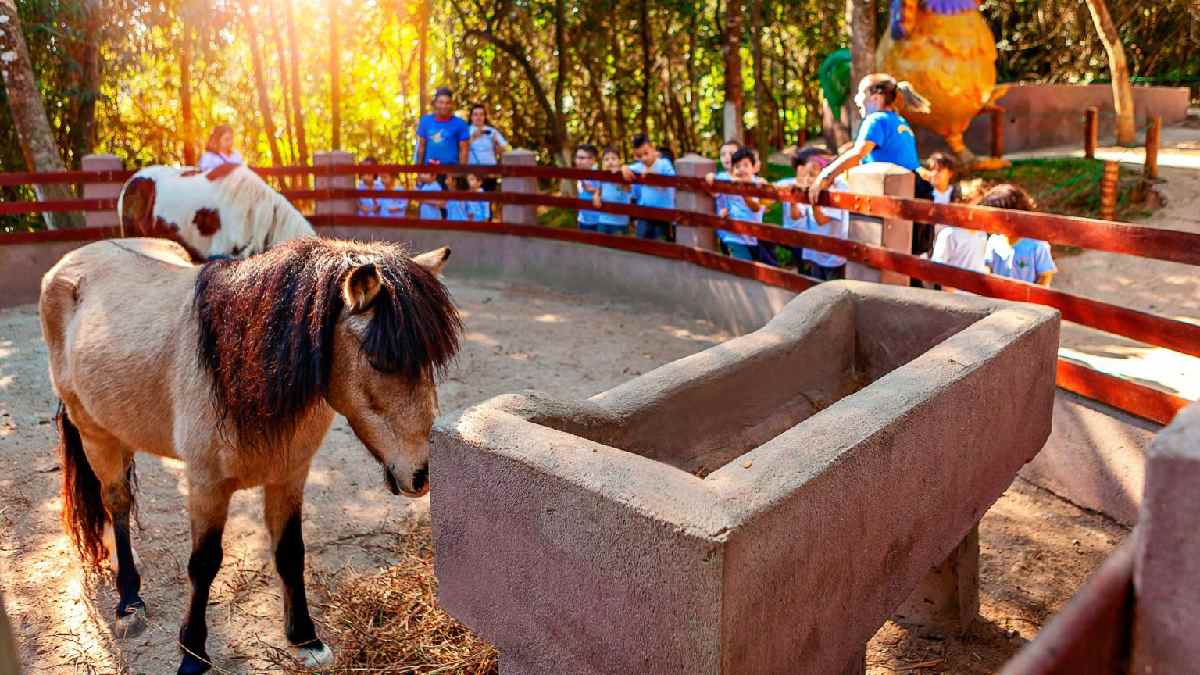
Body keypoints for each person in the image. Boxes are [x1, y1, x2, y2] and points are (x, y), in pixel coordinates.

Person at [807, 73, 936, 261]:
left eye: (861, 93)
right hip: (912, 196)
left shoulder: (876, 120)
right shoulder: (900, 122)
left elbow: (858, 152)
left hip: (892, 198)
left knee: (881, 261)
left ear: (875, 98)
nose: (856, 98)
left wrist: (825, 176)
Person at [780, 148, 849, 279]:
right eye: (805, 175)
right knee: (814, 285)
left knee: (833, 288)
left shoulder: (836, 189)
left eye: (812, 175)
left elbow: (822, 220)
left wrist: (812, 201)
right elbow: (796, 215)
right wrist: (793, 200)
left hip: (833, 256)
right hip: (815, 252)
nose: (807, 179)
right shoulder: (810, 189)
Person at [980, 185, 1057, 287]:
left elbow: (1045, 276)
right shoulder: (994, 240)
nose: (992, 223)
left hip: (1026, 297)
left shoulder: (1037, 244)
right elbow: (988, 267)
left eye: (996, 219)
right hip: (999, 295)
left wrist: (1034, 295)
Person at [927, 153, 987, 276]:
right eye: (932, 169)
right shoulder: (925, 194)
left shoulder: (957, 193)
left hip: (957, 240)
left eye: (939, 170)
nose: (934, 173)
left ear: (950, 173)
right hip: (932, 242)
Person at [621, 133, 676, 241]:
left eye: (646, 153)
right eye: (639, 156)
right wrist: (624, 168)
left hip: (663, 213)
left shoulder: (664, 164)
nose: (643, 158)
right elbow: (626, 168)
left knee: (660, 242)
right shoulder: (639, 166)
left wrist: (655, 178)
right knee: (641, 241)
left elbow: (673, 181)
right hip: (644, 212)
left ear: (653, 149)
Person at [414, 87, 470, 189]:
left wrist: (460, 174)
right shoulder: (425, 121)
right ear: (435, 103)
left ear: (452, 105)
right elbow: (421, 147)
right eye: (441, 102)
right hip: (429, 173)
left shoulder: (460, 124)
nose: (444, 106)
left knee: (450, 199)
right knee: (428, 198)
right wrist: (419, 172)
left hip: (451, 173)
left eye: (447, 103)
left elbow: (464, 151)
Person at [714, 148, 763, 261]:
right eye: (737, 166)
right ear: (733, 170)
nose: (741, 169)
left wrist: (743, 192)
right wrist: (724, 211)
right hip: (734, 237)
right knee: (742, 265)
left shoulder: (757, 184)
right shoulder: (732, 185)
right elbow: (721, 198)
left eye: (746, 165)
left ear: (753, 168)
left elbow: (755, 207)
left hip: (753, 237)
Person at [592, 147, 633, 236]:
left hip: (620, 222)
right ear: (603, 163)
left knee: (618, 244)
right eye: (606, 159)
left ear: (619, 161)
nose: (610, 162)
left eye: (613, 159)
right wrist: (596, 195)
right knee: (601, 243)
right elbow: (599, 189)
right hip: (603, 220)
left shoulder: (624, 175)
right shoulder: (602, 177)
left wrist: (622, 170)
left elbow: (628, 189)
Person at [467, 104, 509, 191]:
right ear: (471, 117)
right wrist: (473, 137)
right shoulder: (465, 131)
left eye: (481, 114)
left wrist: (496, 143)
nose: (478, 117)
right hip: (472, 173)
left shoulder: (492, 131)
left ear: (485, 117)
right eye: (475, 114)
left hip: (490, 172)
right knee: (472, 198)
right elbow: (460, 149)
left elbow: (504, 150)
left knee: (489, 196)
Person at [574, 144, 602, 231]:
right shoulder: (581, 173)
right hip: (583, 219)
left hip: (597, 221)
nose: (578, 161)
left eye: (581, 158)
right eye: (577, 157)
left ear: (592, 160)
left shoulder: (597, 174)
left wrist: (595, 191)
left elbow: (592, 188)